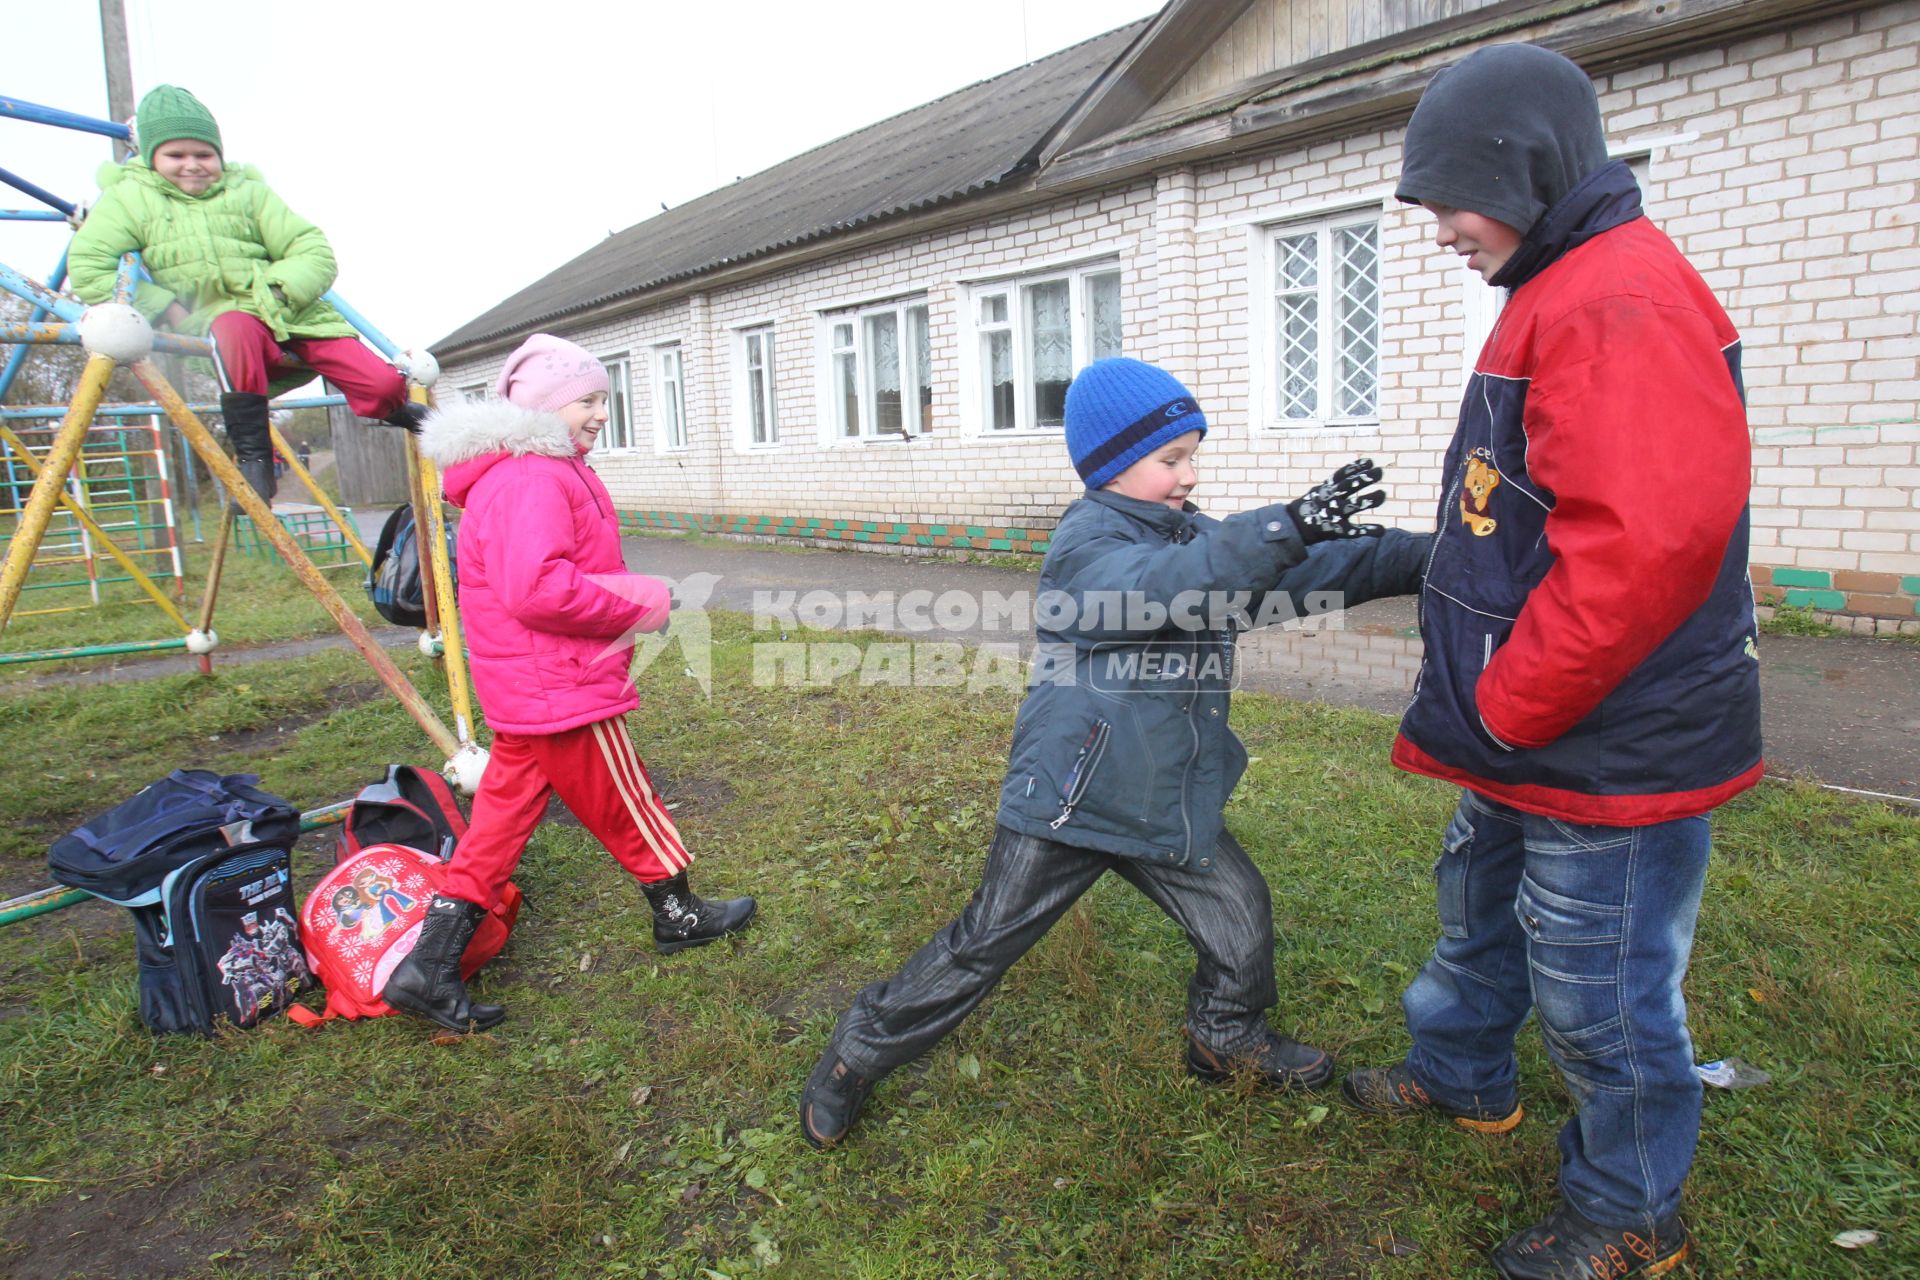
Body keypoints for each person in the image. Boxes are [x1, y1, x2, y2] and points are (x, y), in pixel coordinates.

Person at [1339, 44, 1760, 1280]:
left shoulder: (1615, 301)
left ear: (1520, 170)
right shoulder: (1559, 282)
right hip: (1535, 728)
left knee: (1604, 989)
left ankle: (1631, 1205)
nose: (1436, 234)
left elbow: (1641, 549)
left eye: (1445, 201)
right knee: (1479, 915)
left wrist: (1509, 702)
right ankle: (1463, 1071)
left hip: (1596, 739)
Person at [799, 356, 1431, 1149]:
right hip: (1072, 795)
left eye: (1193, 456)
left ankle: (1224, 1035)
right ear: (1109, 466)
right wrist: (1283, 525)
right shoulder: (1087, 547)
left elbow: (1293, 575)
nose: (1189, 476)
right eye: (1171, 460)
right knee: (984, 942)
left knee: (1240, 920)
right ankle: (855, 1056)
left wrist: (1422, 555)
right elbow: (1172, 585)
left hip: (1161, 790)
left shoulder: (1188, 535)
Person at [384, 334, 755, 1033]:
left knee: (496, 827)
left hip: (529, 687)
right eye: (587, 400)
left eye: (603, 400)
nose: (599, 415)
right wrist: (641, 601)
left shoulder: (525, 469)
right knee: (627, 799)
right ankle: (678, 912)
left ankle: (428, 966)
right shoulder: (532, 476)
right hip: (559, 684)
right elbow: (537, 589)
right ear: (544, 407)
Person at [68, 85, 421, 504]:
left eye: (204, 154)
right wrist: (165, 308)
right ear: (151, 157)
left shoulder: (249, 193)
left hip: (289, 308)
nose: (192, 165)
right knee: (234, 328)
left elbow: (312, 249)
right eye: (176, 156)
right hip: (220, 319)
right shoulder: (131, 199)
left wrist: (280, 289)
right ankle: (254, 458)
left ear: (219, 154)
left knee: (381, 381)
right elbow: (90, 267)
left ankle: (394, 408)